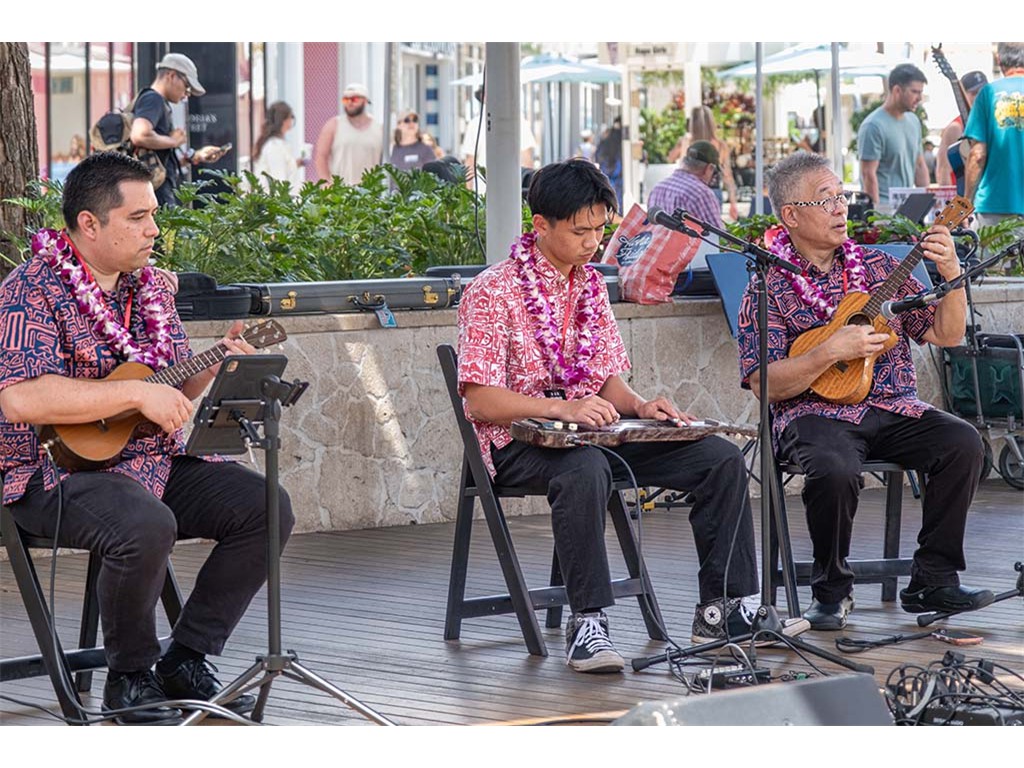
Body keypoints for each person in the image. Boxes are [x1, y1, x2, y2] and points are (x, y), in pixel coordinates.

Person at [0, 152, 294, 724]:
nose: (153, 230)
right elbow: (21, 399)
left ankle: (186, 657)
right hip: (49, 471)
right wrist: (134, 395)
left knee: (266, 506)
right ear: (89, 223)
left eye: (153, 214)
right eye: (138, 218)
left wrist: (215, 364)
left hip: (149, 458)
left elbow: (171, 381)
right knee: (144, 523)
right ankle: (130, 678)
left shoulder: (153, 288)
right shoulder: (30, 288)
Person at [457, 158, 761, 674]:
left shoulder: (592, 286)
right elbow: (481, 400)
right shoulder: (493, 289)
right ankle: (588, 624)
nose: (593, 242)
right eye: (580, 231)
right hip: (515, 444)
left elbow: (605, 380)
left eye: (600, 229)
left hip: (594, 434)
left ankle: (723, 610)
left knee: (719, 459)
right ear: (541, 225)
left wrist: (640, 407)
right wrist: (560, 408)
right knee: (585, 470)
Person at [736, 151, 993, 631]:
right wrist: (829, 351)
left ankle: (933, 579)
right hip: (812, 416)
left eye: (842, 196)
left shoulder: (878, 266)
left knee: (963, 443)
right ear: (791, 215)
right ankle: (831, 592)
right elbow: (762, 382)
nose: (841, 208)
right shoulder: (767, 287)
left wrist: (951, 275)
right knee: (834, 467)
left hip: (894, 407)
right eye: (825, 199)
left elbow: (946, 334)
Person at [130, 52, 226, 207]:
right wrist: (173, 141)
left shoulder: (155, 101)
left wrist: (195, 157)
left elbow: (158, 162)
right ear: (171, 75)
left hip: (156, 195)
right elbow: (139, 135)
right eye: (186, 86)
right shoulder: (153, 99)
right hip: (157, 198)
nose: (186, 94)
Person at [964, 43, 1024, 250]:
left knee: (992, 270)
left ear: (999, 60)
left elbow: (977, 154)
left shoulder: (989, 93)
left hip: (994, 207)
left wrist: (966, 202)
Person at [857, 64, 931, 211]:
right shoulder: (873, 126)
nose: (919, 98)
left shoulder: (913, 121)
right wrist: (875, 215)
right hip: (884, 209)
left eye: (921, 92)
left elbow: (919, 164)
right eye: (914, 92)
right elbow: (868, 174)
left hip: (908, 208)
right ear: (897, 90)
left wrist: (927, 204)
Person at [459, 85, 537, 194]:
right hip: (505, 191)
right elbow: (470, 162)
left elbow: (470, 162)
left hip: (488, 191)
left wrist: (468, 193)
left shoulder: (520, 123)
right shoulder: (475, 124)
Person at [668, 106, 739, 221]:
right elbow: (727, 176)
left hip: (688, 192)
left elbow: (672, 159)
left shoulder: (687, 142)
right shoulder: (721, 146)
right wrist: (733, 202)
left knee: (687, 228)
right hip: (713, 193)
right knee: (711, 229)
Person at [313, 83, 383, 185]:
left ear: (365, 101)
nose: (350, 103)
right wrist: (326, 183)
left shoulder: (379, 128)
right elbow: (321, 156)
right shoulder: (333, 125)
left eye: (354, 99)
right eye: (346, 99)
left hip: (371, 190)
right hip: (340, 190)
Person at [646, 140, 724, 229]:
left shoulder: (657, 189)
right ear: (709, 168)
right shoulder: (701, 193)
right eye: (714, 173)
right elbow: (717, 234)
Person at [935, 70, 988, 186]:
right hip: (961, 192)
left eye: (983, 91)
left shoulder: (992, 124)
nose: (980, 96)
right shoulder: (955, 128)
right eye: (974, 93)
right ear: (963, 95)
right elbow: (943, 170)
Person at [252, 100, 304, 195]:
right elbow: (279, 180)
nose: (291, 121)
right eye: (291, 117)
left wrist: (295, 164)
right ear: (284, 120)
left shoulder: (277, 144)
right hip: (277, 201)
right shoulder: (274, 146)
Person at [594, 117, 623, 210]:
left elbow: (598, 157)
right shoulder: (623, 144)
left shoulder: (604, 143)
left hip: (606, 179)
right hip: (619, 181)